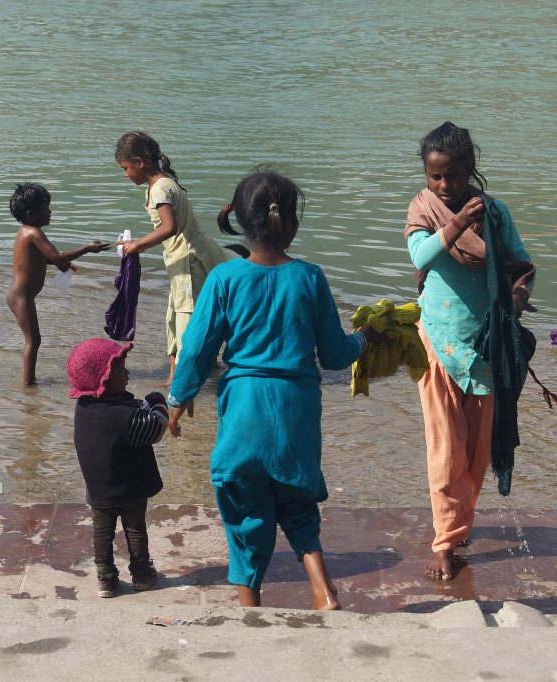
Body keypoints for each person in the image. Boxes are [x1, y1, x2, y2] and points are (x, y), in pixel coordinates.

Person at [165, 170, 376, 610]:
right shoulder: (310, 277)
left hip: (244, 409)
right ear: (291, 224)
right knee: (298, 508)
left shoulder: (225, 279)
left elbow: (197, 350)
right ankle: (323, 590)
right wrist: (365, 338)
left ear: (240, 222)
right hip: (297, 410)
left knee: (245, 513)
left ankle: (251, 610)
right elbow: (335, 355)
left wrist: (177, 401)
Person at [403, 122, 535, 581]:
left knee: (478, 453)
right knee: (444, 452)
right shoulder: (423, 208)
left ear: (469, 170)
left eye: (452, 176)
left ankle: (459, 527)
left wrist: (515, 302)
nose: (443, 185)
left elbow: (521, 266)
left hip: (487, 349)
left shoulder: (495, 215)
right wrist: (458, 222)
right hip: (437, 345)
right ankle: (444, 542)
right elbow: (420, 257)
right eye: (435, 176)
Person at [114, 131, 235, 387]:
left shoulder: (160, 188)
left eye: (125, 168)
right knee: (175, 316)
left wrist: (137, 244)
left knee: (187, 321)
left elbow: (168, 227)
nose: (125, 175)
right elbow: (170, 231)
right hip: (188, 259)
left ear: (138, 161)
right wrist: (140, 246)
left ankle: (183, 385)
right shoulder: (164, 183)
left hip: (189, 263)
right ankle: (185, 374)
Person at [67, 337, 167, 598]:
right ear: (104, 379)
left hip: (99, 489)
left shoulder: (84, 409)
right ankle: (142, 574)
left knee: (102, 531)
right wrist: (158, 402)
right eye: (121, 370)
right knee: (135, 529)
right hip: (130, 488)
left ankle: (106, 580)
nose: (128, 373)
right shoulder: (125, 415)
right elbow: (155, 429)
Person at [6, 183, 111, 385]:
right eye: (46, 208)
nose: (50, 212)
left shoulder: (25, 231)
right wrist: (87, 248)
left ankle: (30, 382)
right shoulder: (33, 232)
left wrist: (58, 264)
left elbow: (43, 258)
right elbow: (56, 255)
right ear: (31, 213)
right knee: (33, 340)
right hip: (21, 296)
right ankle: (29, 384)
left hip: (20, 294)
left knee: (33, 339)